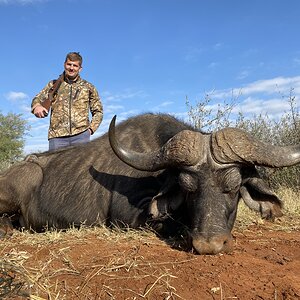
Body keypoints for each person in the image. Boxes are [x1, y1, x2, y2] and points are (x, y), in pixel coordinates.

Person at [31, 52, 103, 151]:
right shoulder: (53, 84)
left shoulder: (89, 87)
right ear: (64, 64)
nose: (71, 68)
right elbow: (37, 98)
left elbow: (98, 111)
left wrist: (90, 130)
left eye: (75, 65)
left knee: (82, 166)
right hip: (57, 137)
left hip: (81, 136)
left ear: (80, 68)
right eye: (69, 64)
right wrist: (37, 106)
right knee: (54, 166)